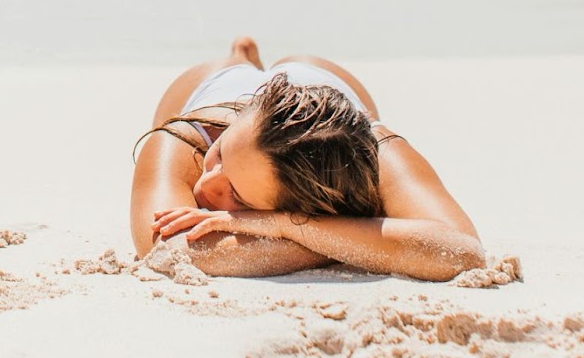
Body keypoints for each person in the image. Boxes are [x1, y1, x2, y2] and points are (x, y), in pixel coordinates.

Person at [130, 36, 484, 281]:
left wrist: (285, 226)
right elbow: (168, 251)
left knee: (303, 73)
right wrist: (355, 237)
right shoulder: (185, 141)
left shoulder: (379, 152)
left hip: (324, 86)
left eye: (237, 195)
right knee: (231, 65)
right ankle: (242, 57)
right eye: (220, 156)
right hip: (217, 86)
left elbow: (462, 252)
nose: (206, 184)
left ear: (309, 204)